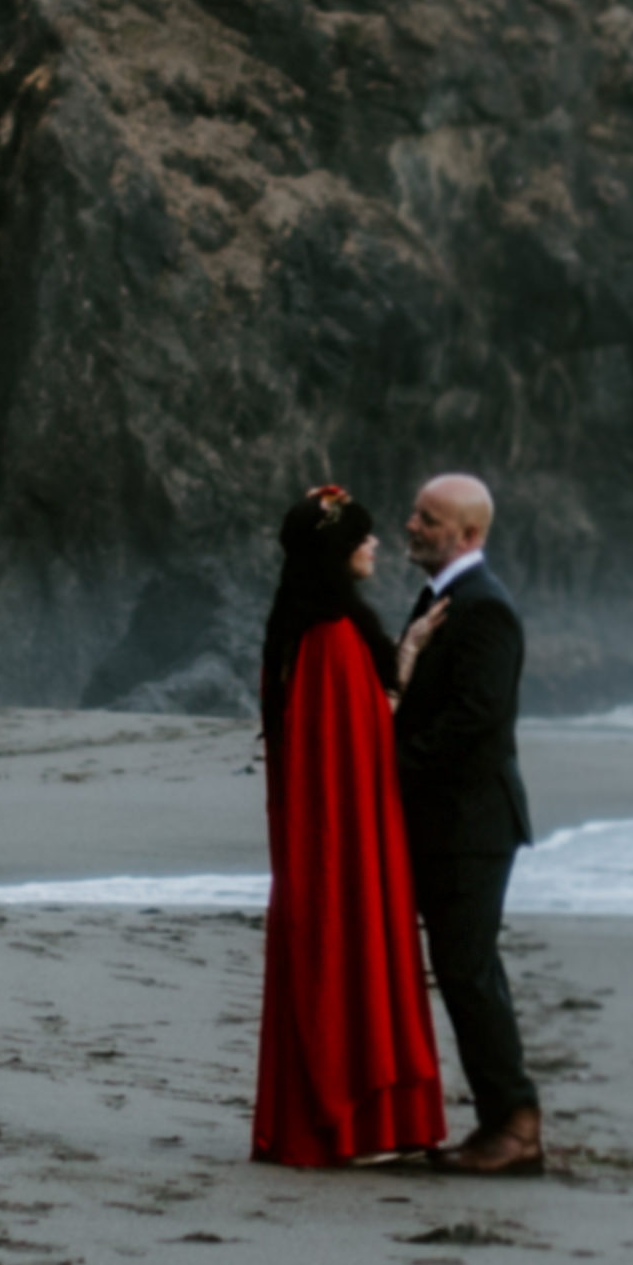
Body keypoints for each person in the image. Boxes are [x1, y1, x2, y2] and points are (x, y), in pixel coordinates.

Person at [248, 482, 448, 1167]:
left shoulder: (298, 627)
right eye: (359, 534)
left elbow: (359, 714)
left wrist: (409, 646)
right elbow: (369, 737)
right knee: (351, 955)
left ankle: (332, 1120)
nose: (374, 542)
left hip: (317, 834)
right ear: (332, 548)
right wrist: (414, 660)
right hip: (350, 838)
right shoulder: (330, 635)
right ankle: (353, 1123)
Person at [394, 470, 545, 1176]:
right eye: (416, 514)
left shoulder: (484, 607)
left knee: (467, 970)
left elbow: (473, 722)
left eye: (428, 518)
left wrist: (385, 771)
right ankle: (504, 1118)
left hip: (473, 822)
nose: (412, 525)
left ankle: (513, 1124)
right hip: (449, 819)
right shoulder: (442, 599)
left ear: (469, 534)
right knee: (463, 968)